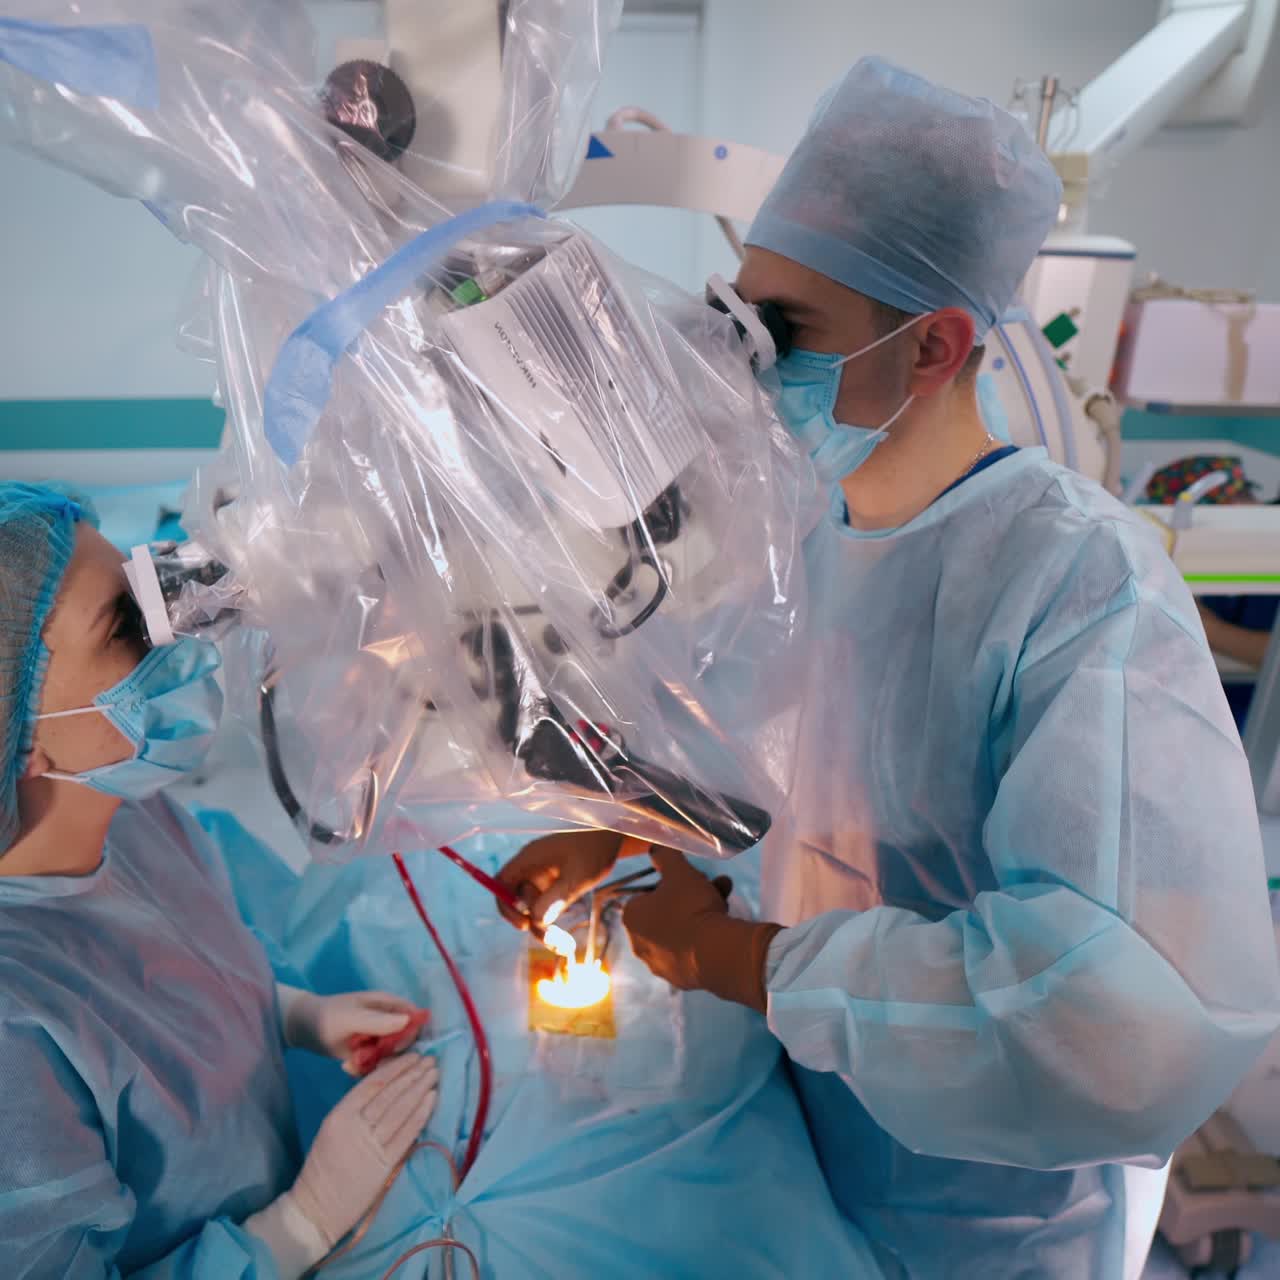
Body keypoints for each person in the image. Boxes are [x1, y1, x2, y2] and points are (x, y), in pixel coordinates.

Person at [496, 57, 1280, 1278]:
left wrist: (739, 961)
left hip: (990, 1213)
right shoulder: (794, 531)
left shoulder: (1077, 587)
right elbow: (767, 770)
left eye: (790, 330)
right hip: (804, 1138)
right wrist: (626, 833)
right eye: (739, 313)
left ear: (934, 349)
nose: (747, 359)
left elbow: (1115, 1020)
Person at [0, 482, 440, 1279]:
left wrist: (294, 1014)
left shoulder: (129, 813)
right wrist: (302, 1225)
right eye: (127, 628)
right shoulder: (12, 1026)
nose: (175, 635)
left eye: (150, 594)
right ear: (25, 740)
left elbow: (178, 976)